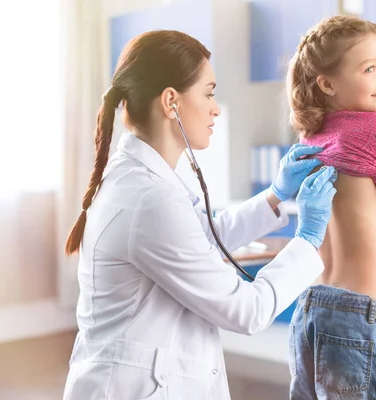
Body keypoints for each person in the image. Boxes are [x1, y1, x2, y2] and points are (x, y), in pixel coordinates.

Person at [61, 30, 338, 400]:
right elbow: (246, 311)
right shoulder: (149, 199)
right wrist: (308, 240)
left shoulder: (142, 179)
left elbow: (199, 240)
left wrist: (275, 195)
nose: (216, 107)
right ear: (171, 102)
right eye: (208, 92)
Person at [285, 16, 376, 399]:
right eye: (370, 69)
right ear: (327, 83)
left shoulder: (312, 135)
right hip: (362, 317)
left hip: (312, 305)